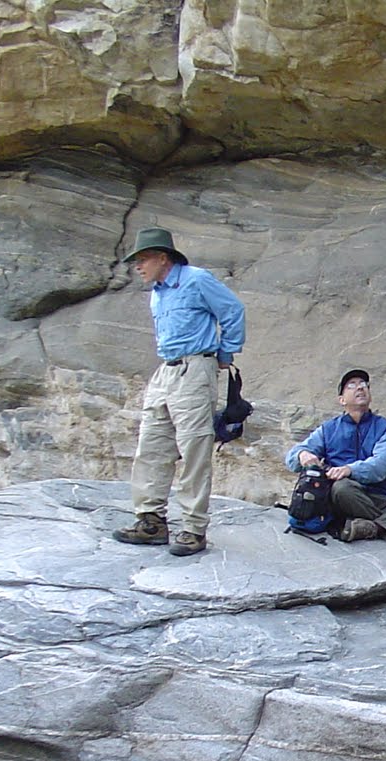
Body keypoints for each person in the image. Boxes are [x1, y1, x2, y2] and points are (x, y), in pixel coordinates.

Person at [113, 227, 246, 557]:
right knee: (152, 444)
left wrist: (225, 354)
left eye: (143, 260)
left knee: (194, 447)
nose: (138, 267)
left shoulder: (196, 279)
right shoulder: (158, 291)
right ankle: (151, 519)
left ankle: (193, 527)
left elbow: (233, 310)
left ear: (162, 258)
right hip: (166, 370)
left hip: (193, 368)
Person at [285, 368, 386, 545]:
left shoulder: (385, 428)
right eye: (352, 385)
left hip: (378, 498)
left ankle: (372, 528)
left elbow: (381, 466)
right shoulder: (328, 429)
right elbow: (292, 459)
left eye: (364, 385)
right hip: (342, 497)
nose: (360, 388)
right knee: (342, 488)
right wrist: (302, 454)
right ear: (342, 400)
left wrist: (349, 469)